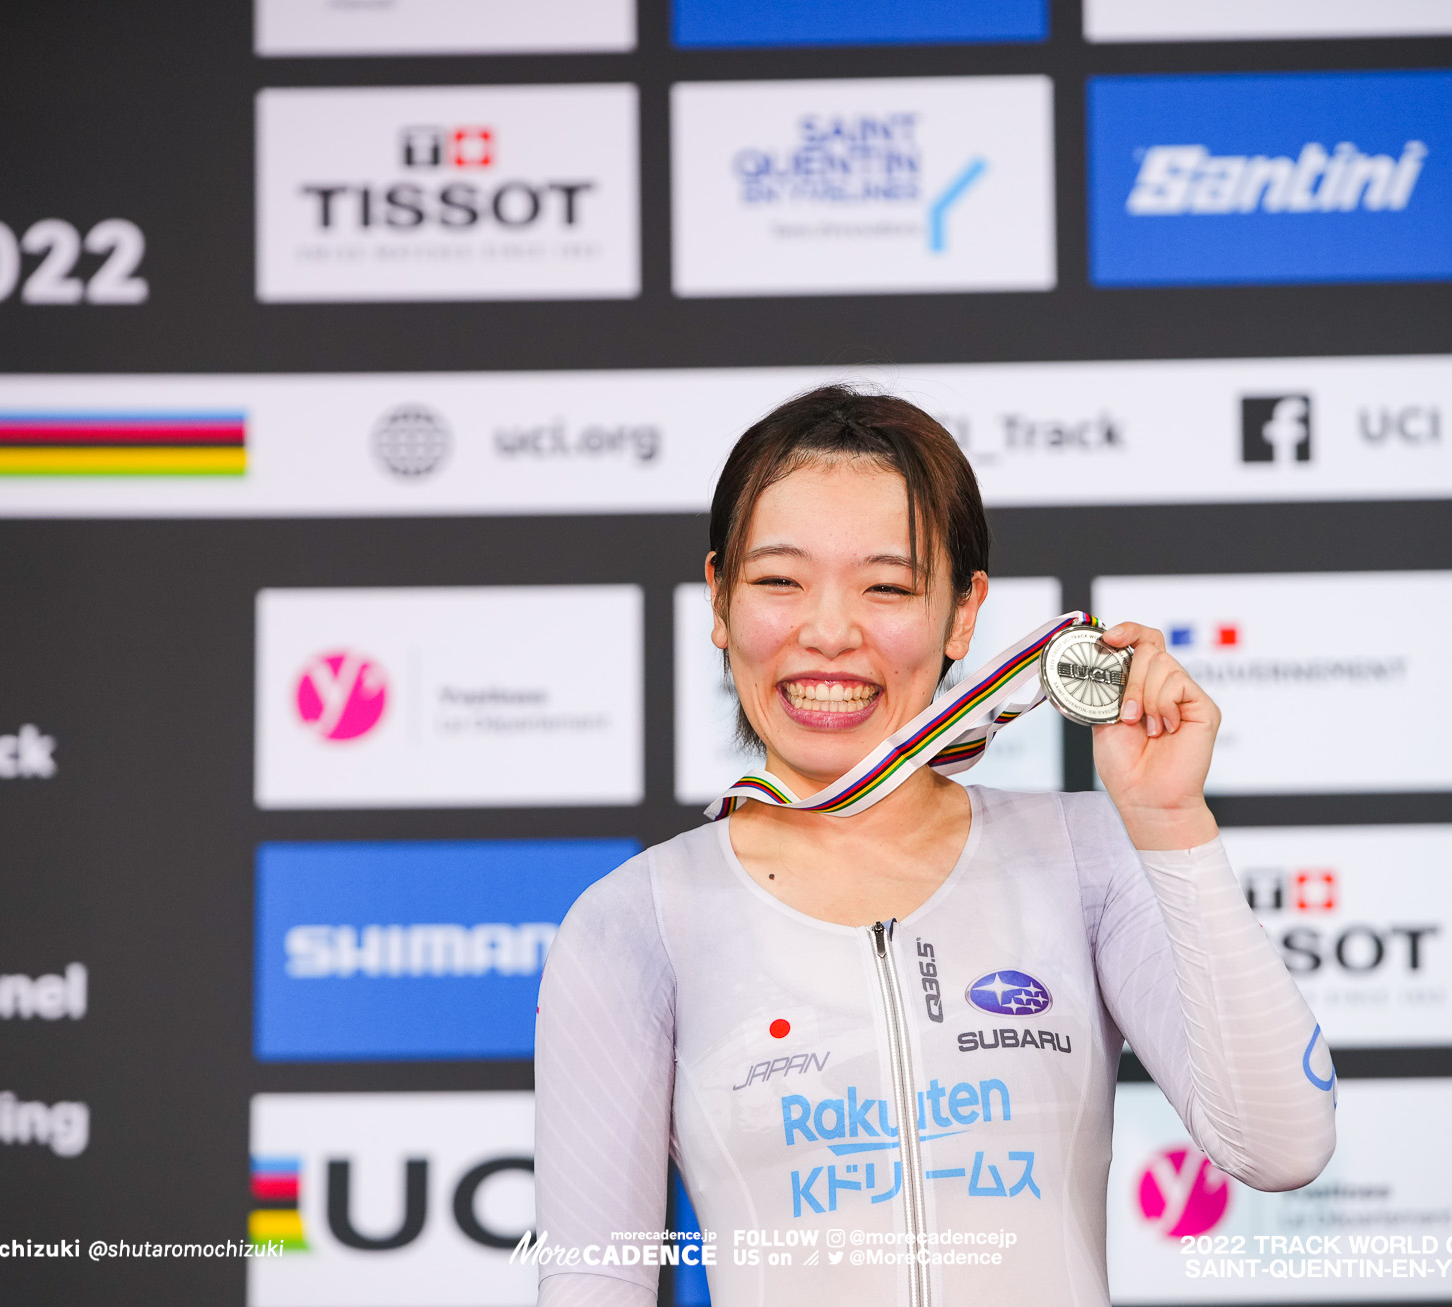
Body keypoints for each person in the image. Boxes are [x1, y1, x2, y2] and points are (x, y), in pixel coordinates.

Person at [533, 386, 1336, 1307]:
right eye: (779, 580)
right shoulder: (635, 922)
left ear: (963, 613)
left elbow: (1282, 1145)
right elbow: (597, 1279)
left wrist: (1169, 823)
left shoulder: (1084, 857)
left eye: (888, 584)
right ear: (719, 599)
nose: (828, 631)